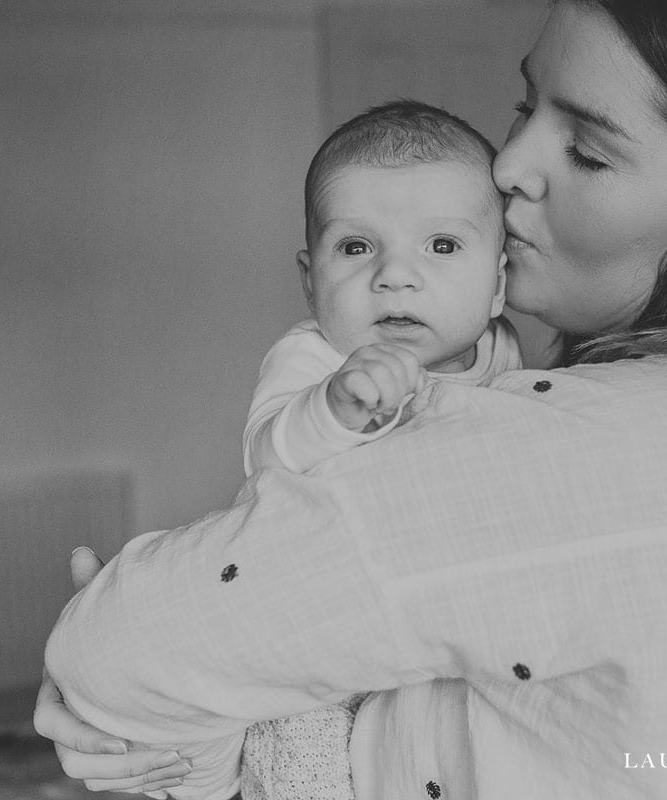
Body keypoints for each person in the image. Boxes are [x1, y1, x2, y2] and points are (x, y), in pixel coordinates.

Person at [34, 0, 667, 798]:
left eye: (586, 149)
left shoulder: (611, 449)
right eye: (524, 107)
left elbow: (117, 650)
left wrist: (129, 663)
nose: (506, 167)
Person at [240, 99, 527, 800]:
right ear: (311, 280)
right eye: (357, 247)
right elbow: (267, 459)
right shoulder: (313, 358)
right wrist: (332, 410)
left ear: (498, 282)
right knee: (299, 738)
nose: (395, 276)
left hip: (443, 625)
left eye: (442, 246)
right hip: (322, 621)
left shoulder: (508, 360)